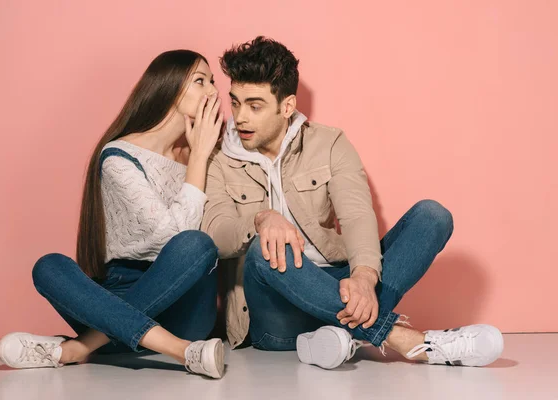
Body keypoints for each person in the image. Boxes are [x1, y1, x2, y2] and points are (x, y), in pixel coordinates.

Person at [201, 36, 504, 369]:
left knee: (432, 216)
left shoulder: (329, 143)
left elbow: (358, 214)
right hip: (275, 316)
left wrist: (361, 277)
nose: (240, 116)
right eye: (236, 102)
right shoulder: (219, 159)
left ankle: (338, 336)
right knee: (264, 250)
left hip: (337, 284)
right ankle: (410, 341)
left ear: (286, 107)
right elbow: (217, 234)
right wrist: (261, 219)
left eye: (254, 105)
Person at [0, 50, 226, 379]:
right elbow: (167, 237)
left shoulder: (205, 153)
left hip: (184, 311)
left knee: (197, 245)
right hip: (118, 293)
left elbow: (183, 243)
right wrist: (200, 158)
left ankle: (79, 347)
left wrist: (200, 155)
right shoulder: (118, 157)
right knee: (48, 266)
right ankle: (180, 351)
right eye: (200, 81)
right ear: (170, 86)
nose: (213, 92)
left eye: (213, 82)